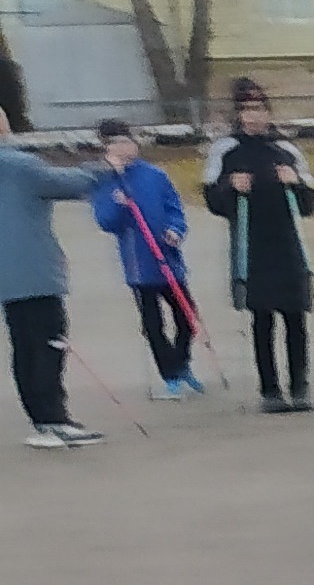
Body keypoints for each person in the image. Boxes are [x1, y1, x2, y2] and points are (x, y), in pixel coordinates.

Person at [202, 79, 314, 410]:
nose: (253, 116)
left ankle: (300, 387)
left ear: (268, 112)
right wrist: (230, 186)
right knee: (262, 318)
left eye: (258, 109)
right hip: (251, 242)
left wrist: (295, 183)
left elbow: (311, 202)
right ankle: (270, 391)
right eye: (246, 110)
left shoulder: (286, 150)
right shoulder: (226, 150)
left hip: (288, 242)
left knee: (296, 317)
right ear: (238, 115)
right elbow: (213, 200)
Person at [0, 121, 105, 448]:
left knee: (25, 346)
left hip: (9, 277)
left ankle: (43, 419)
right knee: (48, 343)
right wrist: (104, 166)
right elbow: (68, 183)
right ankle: (54, 419)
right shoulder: (18, 164)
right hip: (32, 271)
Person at [91, 120, 204, 397]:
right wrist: (119, 203)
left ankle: (181, 362)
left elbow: (174, 208)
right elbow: (106, 221)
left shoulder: (155, 175)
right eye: (115, 144)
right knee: (153, 323)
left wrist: (175, 230)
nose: (123, 148)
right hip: (138, 265)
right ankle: (169, 374)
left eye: (127, 142)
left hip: (167, 258)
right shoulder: (103, 180)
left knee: (188, 315)